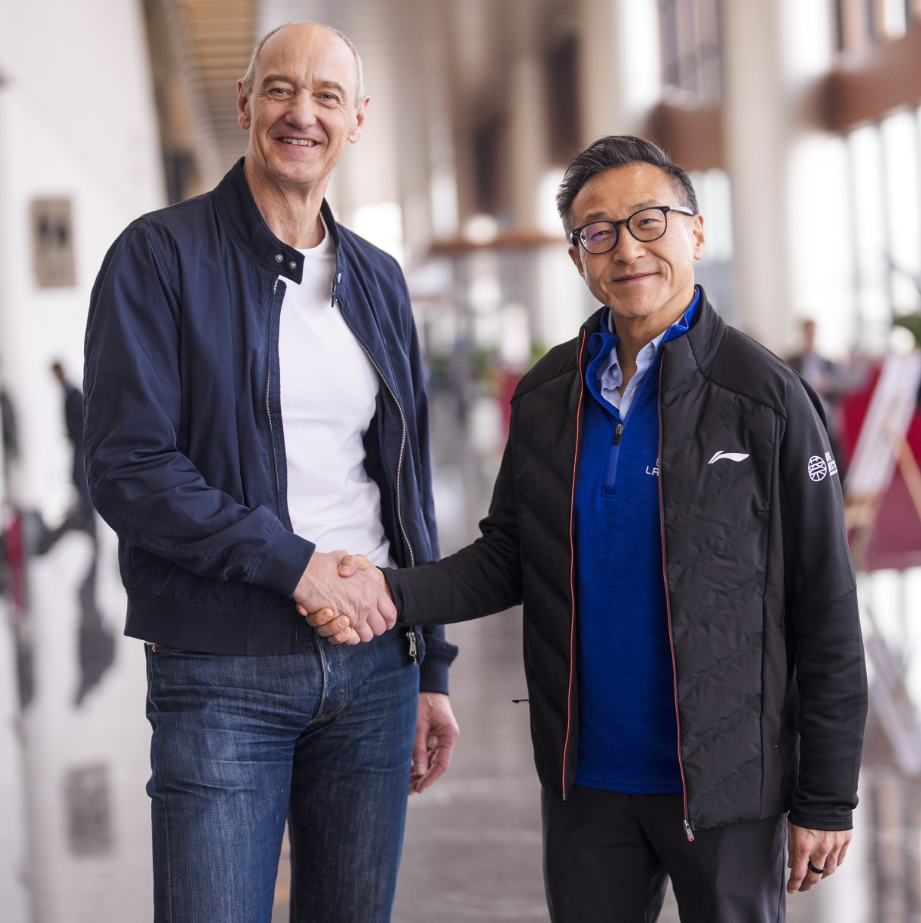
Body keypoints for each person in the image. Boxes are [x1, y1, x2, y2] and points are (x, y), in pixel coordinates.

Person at [310, 137, 868, 922]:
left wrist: (827, 796)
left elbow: (825, 605)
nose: (627, 249)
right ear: (577, 257)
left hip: (727, 783)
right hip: (586, 781)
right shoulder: (548, 392)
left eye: (648, 221)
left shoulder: (766, 397)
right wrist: (385, 592)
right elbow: (509, 554)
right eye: (598, 232)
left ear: (695, 231)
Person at [83, 22, 458, 923]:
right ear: (246, 103)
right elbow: (128, 466)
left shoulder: (378, 279)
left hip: (375, 665)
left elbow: (406, 485)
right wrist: (295, 565)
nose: (302, 113)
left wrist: (431, 665)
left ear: (357, 118)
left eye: (327, 95)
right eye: (281, 89)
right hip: (224, 670)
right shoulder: (159, 255)